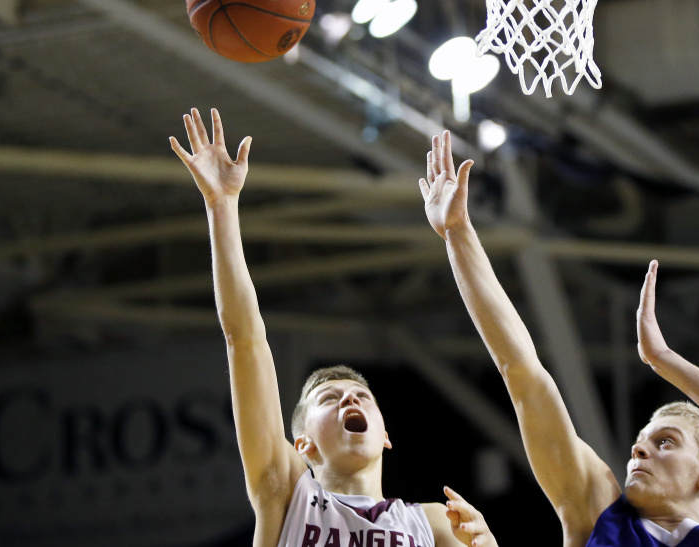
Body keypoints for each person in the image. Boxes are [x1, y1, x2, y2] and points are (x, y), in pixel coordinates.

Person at [420, 132, 699, 547]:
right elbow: (523, 372)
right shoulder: (598, 512)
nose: (638, 452)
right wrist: (458, 233)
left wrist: (663, 359)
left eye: (665, 442)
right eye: (641, 443)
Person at [170, 109, 498, 547]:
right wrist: (221, 206)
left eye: (362, 396)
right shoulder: (285, 494)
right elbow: (244, 339)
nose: (350, 398)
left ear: (384, 435)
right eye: (329, 398)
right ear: (302, 444)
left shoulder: (436, 523)